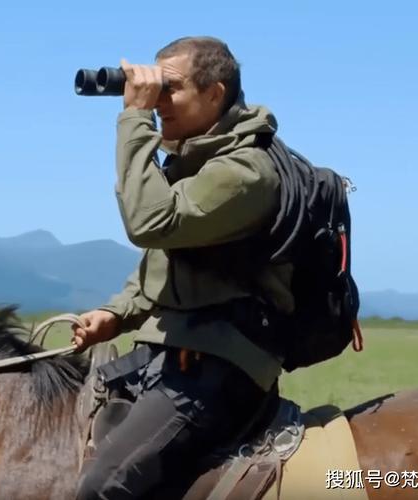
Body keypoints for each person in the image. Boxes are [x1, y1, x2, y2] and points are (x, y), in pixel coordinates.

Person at [73, 36, 293, 499]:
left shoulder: (245, 173)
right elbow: (167, 259)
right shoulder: (196, 161)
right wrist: (118, 313)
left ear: (215, 93)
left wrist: (134, 119)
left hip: (218, 372)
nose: (156, 100)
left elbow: (150, 223)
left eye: (168, 89)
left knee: (100, 488)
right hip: (172, 355)